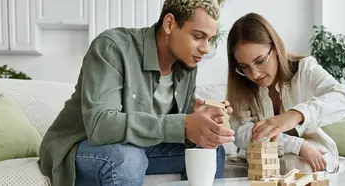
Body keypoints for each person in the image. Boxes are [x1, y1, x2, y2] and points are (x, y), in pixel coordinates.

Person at [38, 1, 236, 185]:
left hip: (141, 146)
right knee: (127, 159)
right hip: (83, 146)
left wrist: (199, 115)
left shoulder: (187, 65)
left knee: (210, 149)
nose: (205, 48)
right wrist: (183, 124)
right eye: (198, 36)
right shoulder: (113, 47)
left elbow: (163, 110)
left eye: (209, 39)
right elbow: (101, 125)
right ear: (169, 24)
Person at [225, 13, 345, 174]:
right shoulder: (241, 85)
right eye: (244, 67)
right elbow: (242, 135)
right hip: (264, 155)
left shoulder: (305, 69)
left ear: (276, 48)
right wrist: (296, 145)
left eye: (260, 61)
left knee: (301, 164)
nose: (255, 74)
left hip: (312, 148)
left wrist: (296, 115)